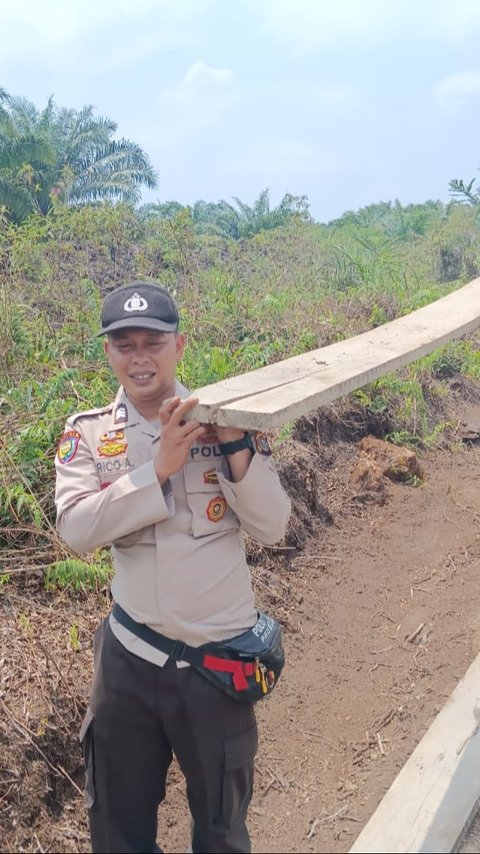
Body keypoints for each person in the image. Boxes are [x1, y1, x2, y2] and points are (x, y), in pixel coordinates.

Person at [54, 281, 291, 854]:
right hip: (130, 660)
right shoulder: (88, 433)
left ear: (180, 345)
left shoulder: (226, 420)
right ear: (107, 352)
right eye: (124, 344)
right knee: (117, 827)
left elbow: (273, 526)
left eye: (153, 342)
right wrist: (156, 469)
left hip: (215, 662)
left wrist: (236, 446)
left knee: (221, 830)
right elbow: (77, 531)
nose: (140, 358)